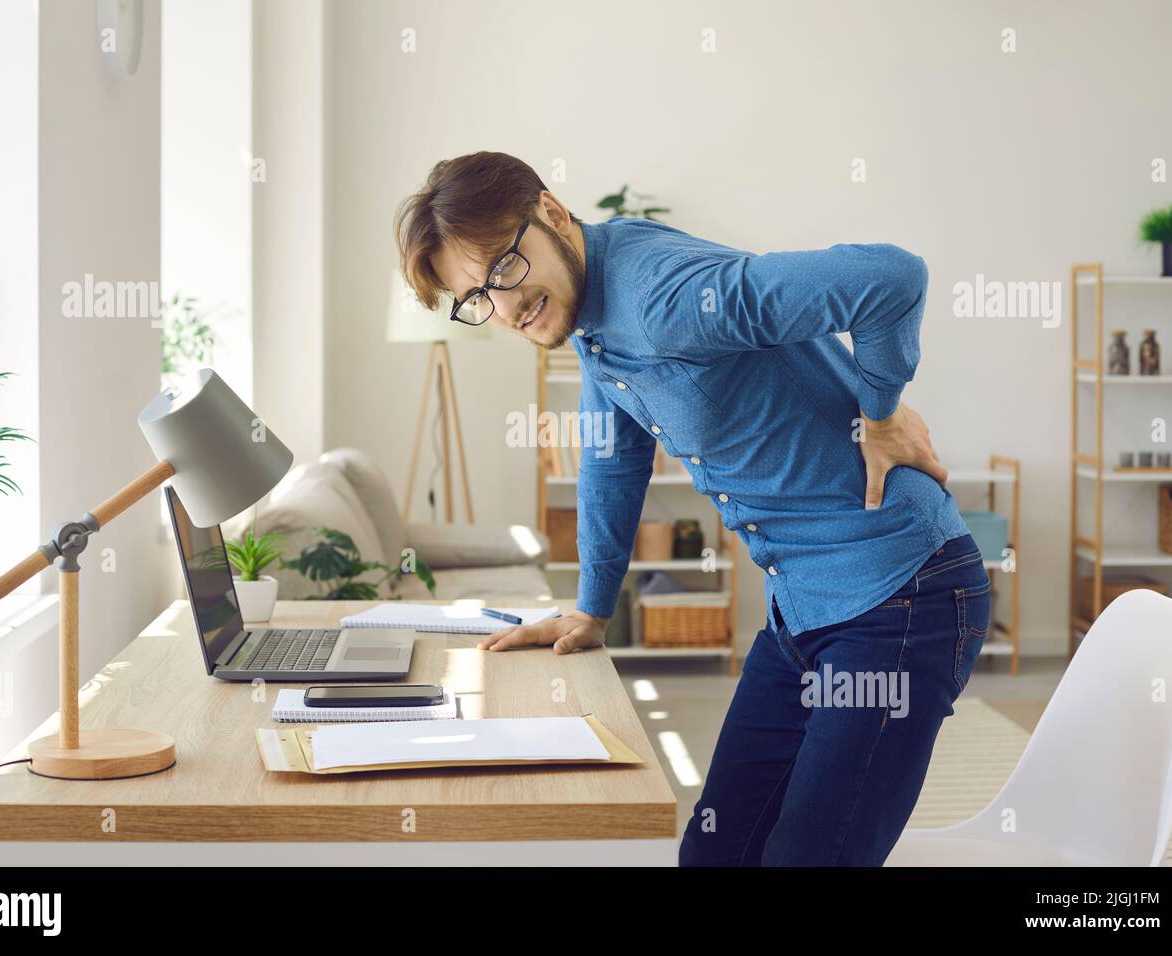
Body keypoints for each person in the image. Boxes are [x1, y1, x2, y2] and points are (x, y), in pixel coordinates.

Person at [394, 151, 991, 866]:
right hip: (802, 612)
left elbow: (892, 277)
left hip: (901, 595)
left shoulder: (665, 298)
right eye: (477, 297)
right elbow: (612, 461)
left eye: (504, 268)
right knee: (715, 853)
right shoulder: (588, 308)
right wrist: (591, 607)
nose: (506, 305)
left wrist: (882, 411)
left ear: (551, 213)